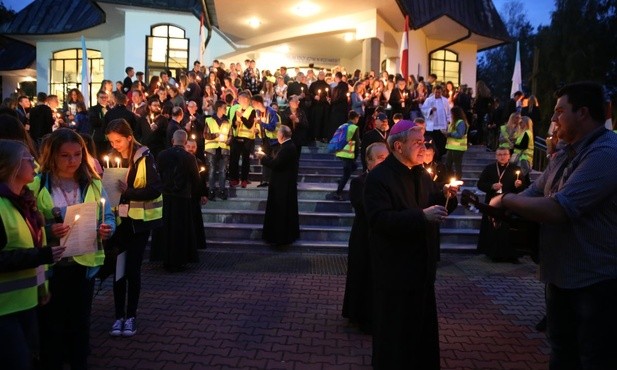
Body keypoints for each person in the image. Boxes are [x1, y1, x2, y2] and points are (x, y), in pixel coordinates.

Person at [489, 81, 617, 368]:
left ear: (582, 113)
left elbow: (559, 208)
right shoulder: (565, 153)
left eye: (560, 111)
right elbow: (536, 192)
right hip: (560, 276)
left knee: (595, 359)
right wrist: (503, 208)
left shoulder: (606, 154)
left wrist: (506, 200)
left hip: (595, 281)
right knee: (562, 354)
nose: (553, 118)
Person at [363, 120, 459, 369]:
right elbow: (379, 220)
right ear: (398, 146)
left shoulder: (420, 174)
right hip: (395, 274)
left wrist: (448, 197)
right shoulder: (378, 178)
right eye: (417, 142)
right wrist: (421, 216)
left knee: (421, 337)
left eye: (424, 141)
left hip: (422, 272)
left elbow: (431, 202)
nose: (423, 146)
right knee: (396, 341)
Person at [31, 129, 115, 369]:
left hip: (83, 265)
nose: (73, 161)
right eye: (65, 155)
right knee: (51, 327)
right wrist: (48, 231)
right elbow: (27, 225)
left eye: (78, 154)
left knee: (80, 325)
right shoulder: (37, 185)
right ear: (52, 156)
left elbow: (108, 215)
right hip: (52, 267)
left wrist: (107, 228)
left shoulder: (93, 183)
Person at [0, 140, 65, 370]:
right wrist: (42, 255)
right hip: (4, 310)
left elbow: (32, 242)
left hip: (27, 302)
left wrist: (41, 287)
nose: (35, 164)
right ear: (13, 166)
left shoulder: (25, 201)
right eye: (29, 159)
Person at [105, 119, 163, 338]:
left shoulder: (145, 158)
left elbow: (156, 189)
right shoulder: (115, 157)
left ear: (129, 137)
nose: (115, 145)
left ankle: (130, 316)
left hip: (139, 223)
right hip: (120, 223)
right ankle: (118, 315)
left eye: (118, 141)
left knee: (132, 270)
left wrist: (128, 192)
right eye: (111, 141)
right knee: (119, 270)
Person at [342, 142, 389, 335]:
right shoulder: (359, 182)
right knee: (362, 275)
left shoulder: (391, 180)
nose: (384, 162)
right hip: (364, 235)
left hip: (384, 238)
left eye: (387, 158)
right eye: (380, 159)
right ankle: (360, 314)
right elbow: (362, 207)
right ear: (368, 162)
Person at [151, 130, 200, 272]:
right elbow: (195, 179)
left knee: (166, 228)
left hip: (166, 196)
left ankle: (164, 258)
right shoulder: (189, 158)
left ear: (173, 140)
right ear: (185, 142)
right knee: (180, 230)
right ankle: (179, 260)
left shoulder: (162, 155)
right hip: (183, 198)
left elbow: (157, 174)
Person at [476, 147, 527, 261]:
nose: (502, 157)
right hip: (493, 202)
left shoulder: (516, 169)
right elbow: (480, 184)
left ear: (509, 156)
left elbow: (525, 187)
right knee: (493, 228)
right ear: (496, 156)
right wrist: (491, 186)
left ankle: (510, 254)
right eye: (499, 154)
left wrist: (519, 185)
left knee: (507, 229)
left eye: (504, 154)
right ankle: (492, 253)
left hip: (509, 202)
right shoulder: (489, 169)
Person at [256, 126, 299, 247]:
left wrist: (263, 158)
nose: (276, 135)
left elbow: (277, 164)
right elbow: (277, 161)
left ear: (282, 135)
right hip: (282, 184)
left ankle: (280, 238)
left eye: (278, 133)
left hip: (282, 186)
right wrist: (266, 157)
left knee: (281, 211)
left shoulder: (287, 148)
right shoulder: (287, 147)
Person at [204, 100, 231, 200]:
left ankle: (222, 191)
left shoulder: (228, 121)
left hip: (224, 149)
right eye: (225, 108)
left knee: (223, 171)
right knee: (212, 171)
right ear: (219, 108)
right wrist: (215, 135)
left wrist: (229, 140)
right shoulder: (209, 120)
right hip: (212, 149)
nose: (226, 109)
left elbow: (231, 135)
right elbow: (205, 134)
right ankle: (211, 191)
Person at [228, 92, 257, 188]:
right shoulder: (238, 109)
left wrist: (241, 117)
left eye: (239, 98)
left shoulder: (252, 110)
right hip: (237, 136)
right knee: (233, 159)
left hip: (247, 138)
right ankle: (234, 179)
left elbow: (249, 124)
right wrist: (235, 123)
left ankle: (244, 179)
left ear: (245, 99)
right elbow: (232, 122)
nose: (238, 100)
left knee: (245, 159)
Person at [330, 111, 360, 201]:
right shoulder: (354, 127)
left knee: (354, 166)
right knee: (347, 174)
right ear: (355, 118)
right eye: (358, 118)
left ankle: (341, 180)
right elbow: (356, 142)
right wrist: (356, 155)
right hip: (349, 153)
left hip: (341, 151)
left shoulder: (342, 126)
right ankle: (338, 193)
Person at [253, 95, 280, 187]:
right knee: (264, 159)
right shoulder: (258, 112)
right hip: (264, 140)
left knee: (273, 161)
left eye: (253, 103)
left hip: (274, 141)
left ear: (259, 103)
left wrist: (261, 123)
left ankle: (273, 181)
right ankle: (265, 180)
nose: (252, 105)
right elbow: (260, 126)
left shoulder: (271, 112)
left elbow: (272, 127)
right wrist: (257, 130)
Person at [421, 85, 451, 161]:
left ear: (441, 92)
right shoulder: (429, 100)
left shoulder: (445, 100)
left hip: (442, 126)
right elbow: (423, 110)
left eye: (439, 92)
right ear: (434, 91)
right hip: (432, 126)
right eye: (436, 92)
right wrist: (430, 110)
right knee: (433, 142)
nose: (438, 94)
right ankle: (433, 157)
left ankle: (440, 157)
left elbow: (448, 112)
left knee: (441, 143)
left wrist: (448, 120)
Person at [280, 95, 309, 161]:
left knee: (296, 158)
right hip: (288, 139)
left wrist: (298, 121)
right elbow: (282, 125)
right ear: (290, 102)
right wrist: (289, 119)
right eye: (295, 101)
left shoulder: (301, 112)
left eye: (298, 101)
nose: (297, 103)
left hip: (298, 139)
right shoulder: (285, 113)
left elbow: (306, 125)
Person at [445, 106, 469, 179]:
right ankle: (449, 179)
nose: (451, 115)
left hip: (458, 148)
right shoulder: (454, 122)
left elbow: (460, 134)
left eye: (451, 113)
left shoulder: (460, 122)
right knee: (448, 165)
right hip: (451, 147)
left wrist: (449, 134)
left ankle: (457, 182)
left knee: (457, 166)